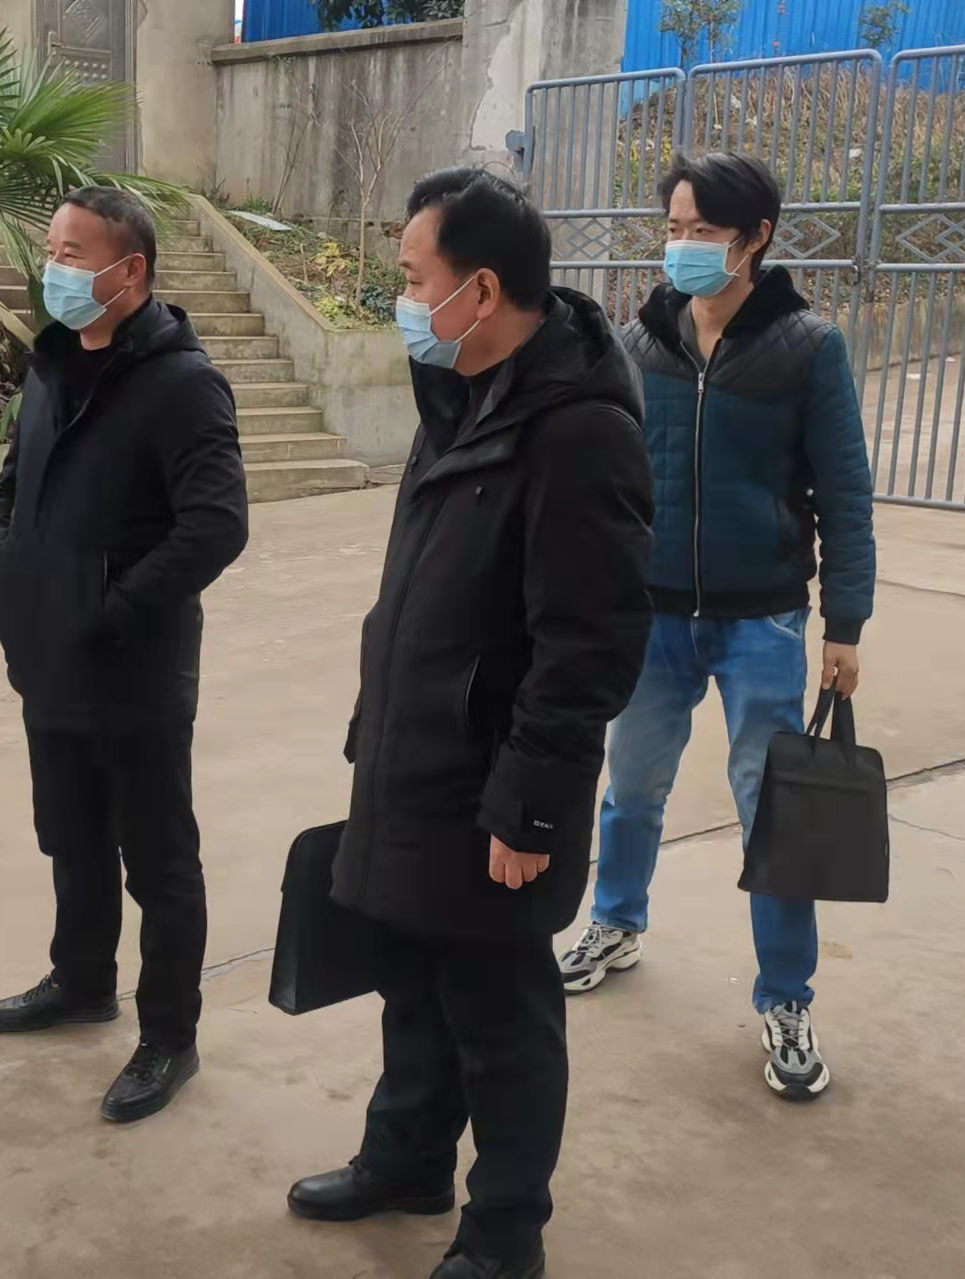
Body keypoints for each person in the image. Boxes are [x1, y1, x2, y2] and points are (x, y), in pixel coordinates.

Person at [287, 168, 653, 1279]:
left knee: (500, 1018)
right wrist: (375, 725)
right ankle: (405, 1159)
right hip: (413, 759)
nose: (401, 301)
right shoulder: (457, 392)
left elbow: (588, 644)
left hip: (496, 787)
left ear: (480, 289)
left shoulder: (579, 429)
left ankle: (505, 1232)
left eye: (413, 280)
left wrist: (530, 803)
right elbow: (417, 592)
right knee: (411, 985)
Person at [557, 152, 877, 1101]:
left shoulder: (806, 348)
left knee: (770, 815)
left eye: (703, 230)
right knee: (630, 788)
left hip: (761, 619)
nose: (683, 246)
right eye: (674, 228)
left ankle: (785, 997)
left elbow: (844, 492)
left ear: (755, 237)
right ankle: (615, 921)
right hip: (650, 613)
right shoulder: (637, 343)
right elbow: (602, 478)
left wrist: (844, 623)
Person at [0, 187, 248, 1124]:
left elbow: (215, 524)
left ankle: (169, 1033)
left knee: (158, 861)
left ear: (128, 271)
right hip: (49, 659)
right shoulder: (53, 361)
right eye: (50, 247)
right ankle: (81, 978)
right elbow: (14, 481)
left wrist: (113, 608)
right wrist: (0, 567)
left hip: (134, 670)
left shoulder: (182, 383)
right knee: (70, 832)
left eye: (71, 253)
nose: (51, 266)